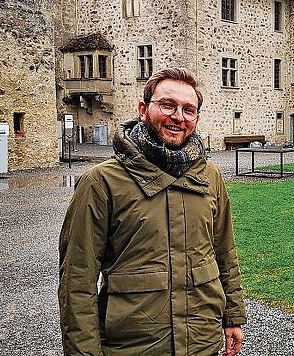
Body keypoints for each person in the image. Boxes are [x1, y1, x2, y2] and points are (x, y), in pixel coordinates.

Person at [59, 67, 246, 355]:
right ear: (144, 110)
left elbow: (224, 252)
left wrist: (233, 315)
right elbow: (77, 280)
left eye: (188, 109)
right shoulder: (101, 182)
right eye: (168, 105)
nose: (178, 117)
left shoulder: (210, 176)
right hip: (134, 346)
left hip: (201, 341)